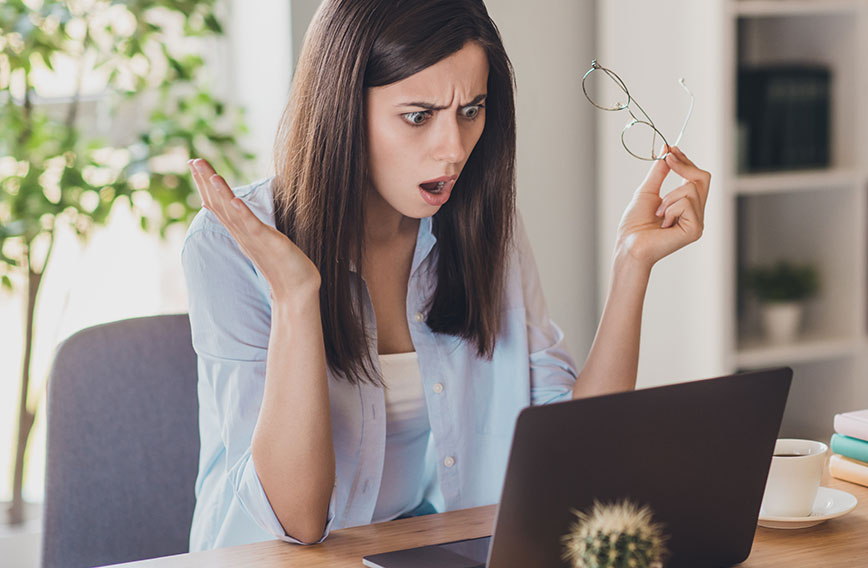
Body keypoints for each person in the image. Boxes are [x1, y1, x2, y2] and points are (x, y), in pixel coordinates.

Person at [181, 0, 710, 552]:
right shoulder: (230, 245)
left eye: (470, 110)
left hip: (415, 550)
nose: (453, 149)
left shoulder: (483, 227)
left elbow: (579, 449)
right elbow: (296, 521)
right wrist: (295, 297)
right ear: (341, 108)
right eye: (418, 116)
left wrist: (632, 263)